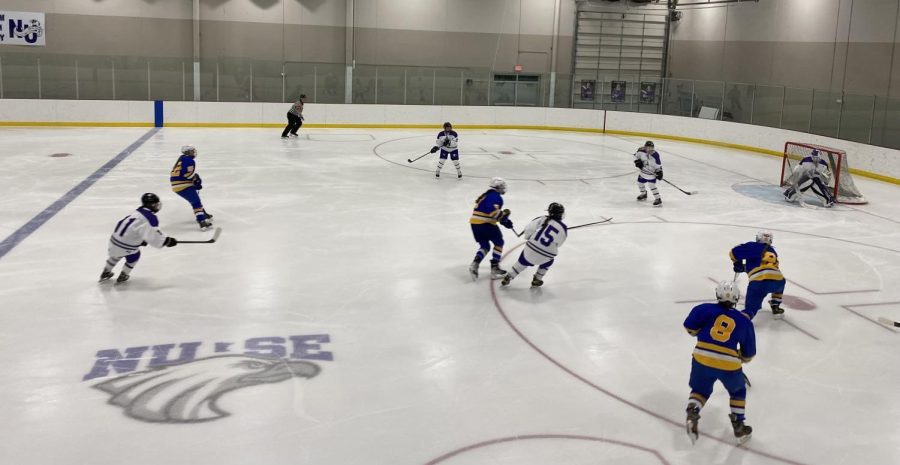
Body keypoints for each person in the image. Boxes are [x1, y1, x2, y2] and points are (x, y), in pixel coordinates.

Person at [683, 280, 755, 445]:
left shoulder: (704, 309)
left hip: (701, 358)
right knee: (738, 392)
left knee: (700, 390)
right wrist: (741, 357)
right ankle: (738, 426)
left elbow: (690, 328)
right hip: (729, 364)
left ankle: (693, 411)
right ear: (737, 299)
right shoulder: (744, 321)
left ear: (717, 295)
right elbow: (748, 354)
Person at [99, 193, 178, 284]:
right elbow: (153, 234)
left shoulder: (137, 212)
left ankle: (106, 272)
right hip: (125, 246)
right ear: (151, 205)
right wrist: (166, 241)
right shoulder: (150, 217)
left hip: (113, 242)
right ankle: (124, 274)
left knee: (115, 255)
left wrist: (141, 240)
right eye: (155, 204)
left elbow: (130, 228)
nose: (157, 206)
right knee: (135, 255)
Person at [501, 203, 567, 288]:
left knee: (522, 261)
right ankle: (537, 279)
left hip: (530, 251)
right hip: (546, 256)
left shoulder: (542, 219)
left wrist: (529, 238)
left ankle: (509, 276)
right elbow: (559, 243)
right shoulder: (563, 227)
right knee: (549, 261)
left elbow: (529, 229)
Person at [730, 231, 785, 319]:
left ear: (758, 238)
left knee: (749, 311)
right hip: (778, 281)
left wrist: (737, 263)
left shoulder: (751, 245)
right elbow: (762, 266)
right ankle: (775, 305)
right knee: (779, 281)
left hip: (759, 283)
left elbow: (733, 253)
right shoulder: (773, 251)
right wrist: (744, 267)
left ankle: (742, 319)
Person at [469, 177, 513, 280]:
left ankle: (475, 264)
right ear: (497, 187)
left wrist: (503, 219)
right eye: (502, 186)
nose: (504, 188)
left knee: (485, 246)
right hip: (485, 224)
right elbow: (492, 211)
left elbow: (490, 212)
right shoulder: (494, 196)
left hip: (475, 224)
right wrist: (505, 220)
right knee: (499, 243)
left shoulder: (486, 195)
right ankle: (495, 269)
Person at [170, 145, 213, 230]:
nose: (193, 153)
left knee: (195, 200)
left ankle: (203, 213)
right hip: (183, 184)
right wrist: (197, 181)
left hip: (176, 184)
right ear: (188, 152)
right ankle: (202, 221)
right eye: (192, 151)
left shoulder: (181, 158)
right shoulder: (189, 160)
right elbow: (188, 175)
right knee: (196, 202)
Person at [633, 140, 663, 206]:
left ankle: (658, 199)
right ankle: (644, 194)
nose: (650, 149)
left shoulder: (655, 155)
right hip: (643, 172)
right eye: (648, 148)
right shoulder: (640, 151)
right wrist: (637, 161)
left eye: (651, 148)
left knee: (651, 185)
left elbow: (658, 166)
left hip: (651, 174)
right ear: (645, 147)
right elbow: (635, 156)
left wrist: (660, 172)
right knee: (640, 183)